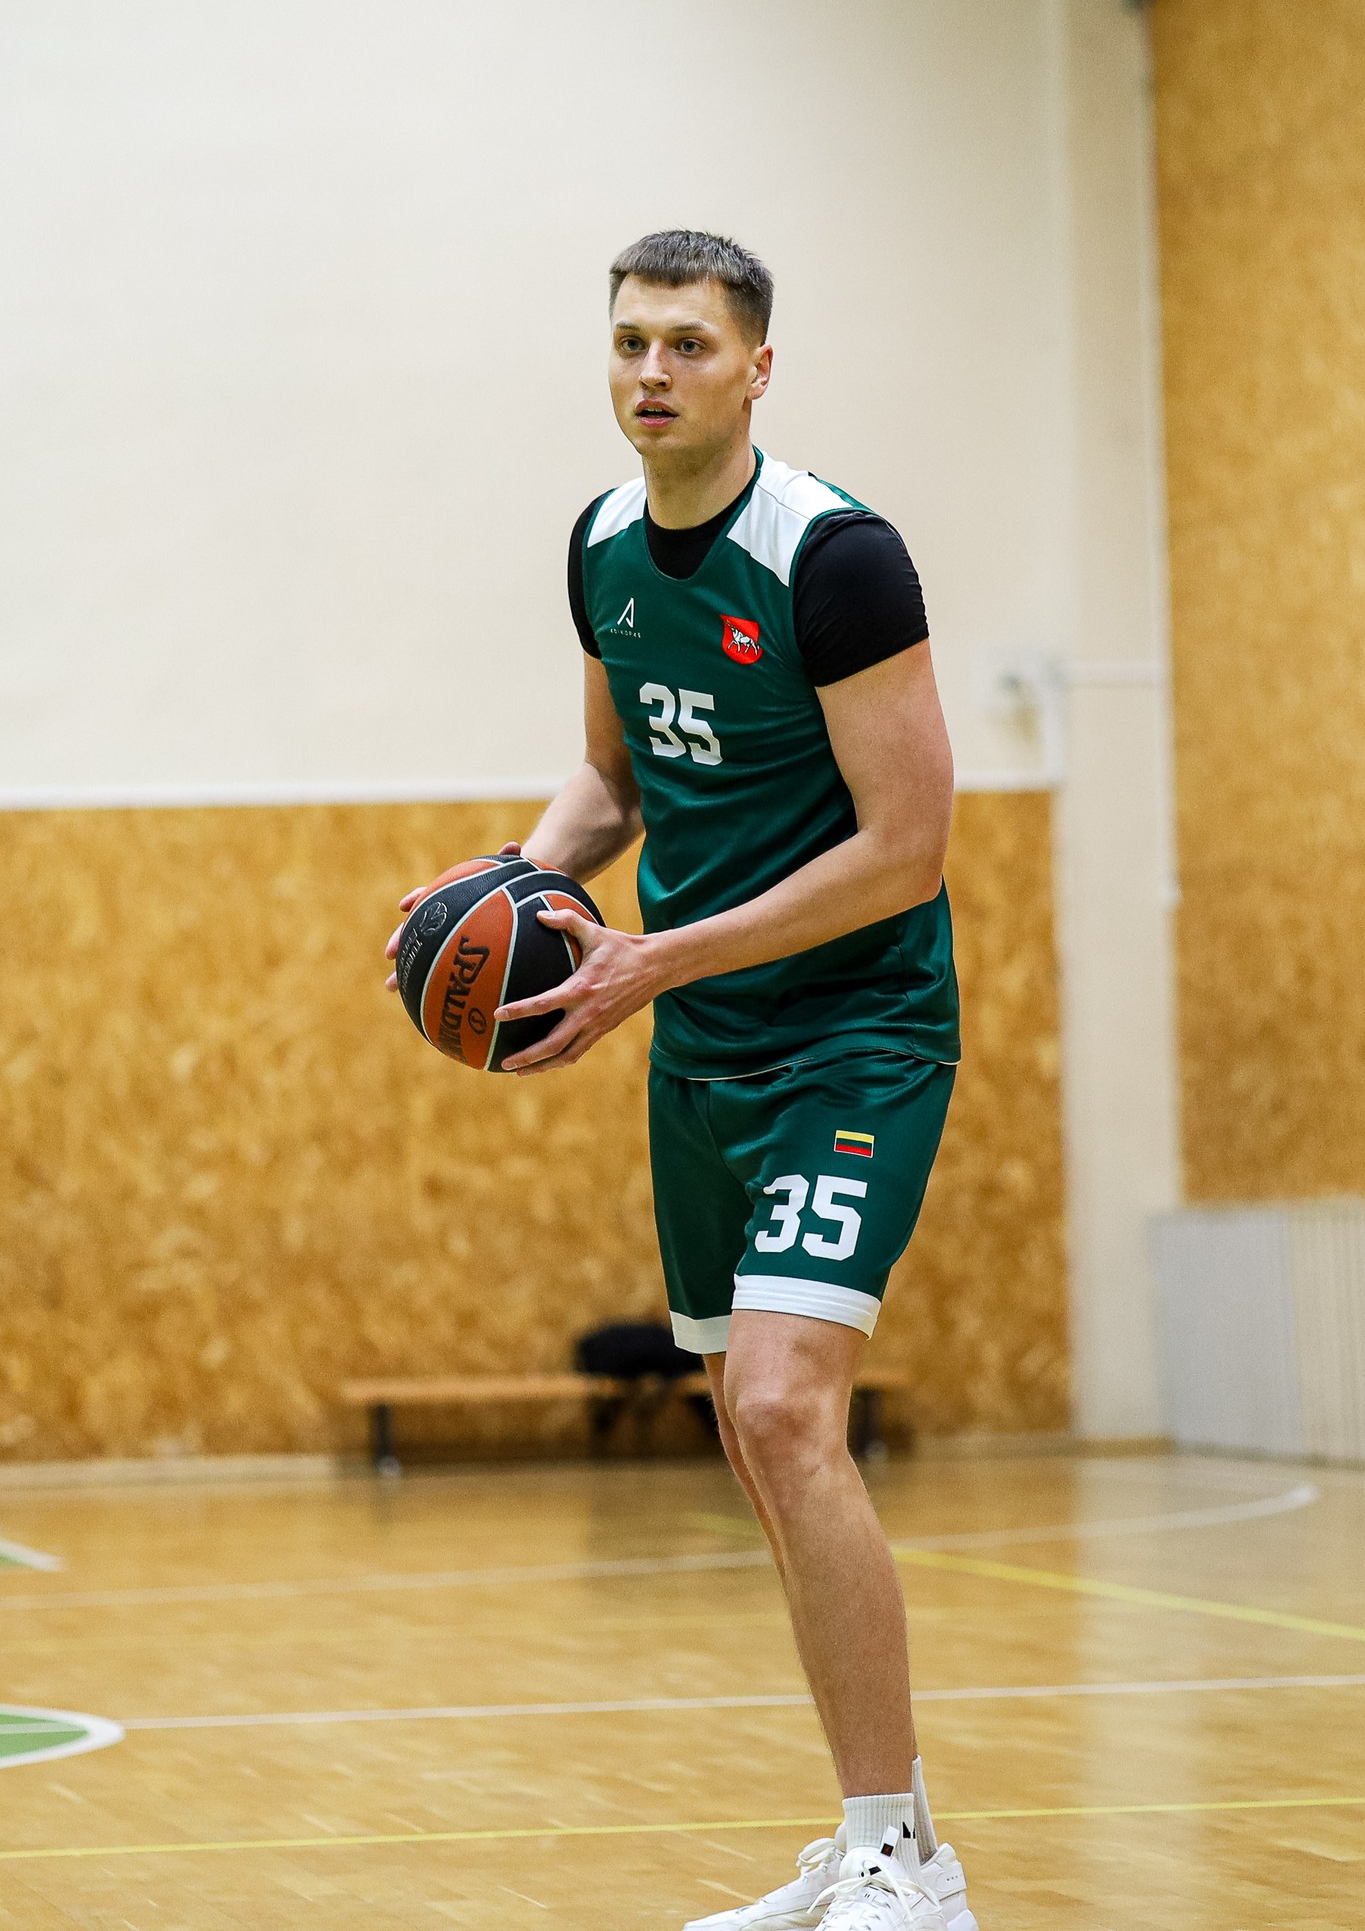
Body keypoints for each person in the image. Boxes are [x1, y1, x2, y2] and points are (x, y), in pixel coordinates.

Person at [386, 229, 976, 1931]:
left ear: (756, 368)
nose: (653, 371)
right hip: (704, 1046)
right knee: (749, 1430)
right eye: (632, 342)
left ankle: (905, 1864)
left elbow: (907, 849)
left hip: (854, 1032)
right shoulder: (599, 545)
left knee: (786, 1408)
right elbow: (613, 778)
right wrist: (506, 884)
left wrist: (658, 957)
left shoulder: (835, 559)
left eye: (690, 345)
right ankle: (870, 1835)